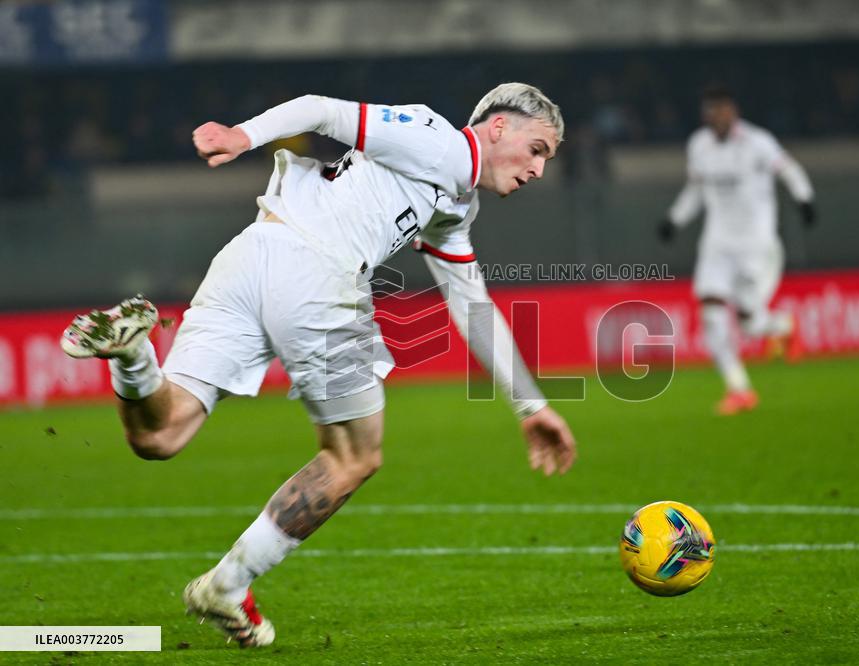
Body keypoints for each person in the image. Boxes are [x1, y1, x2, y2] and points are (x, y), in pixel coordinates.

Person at [60, 83, 578, 647]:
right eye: (538, 149)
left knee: (160, 434)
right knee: (354, 456)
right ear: (498, 127)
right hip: (319, 275)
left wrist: (530, 404)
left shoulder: (454, 199)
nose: (539, 170)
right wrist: (243, 136)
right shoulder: (437, 139)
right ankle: (228, 585)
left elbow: (470, 303)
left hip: (252, 255)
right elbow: (322, 111)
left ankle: (135, 356)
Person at [658, 85, 816, 415]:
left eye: (723, 109)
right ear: (706, 115)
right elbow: (696, 190)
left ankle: (784, 326)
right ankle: (739, 389)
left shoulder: (758, 142)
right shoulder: (699, 145)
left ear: (734, 111)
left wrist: (804, 198)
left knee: (749, 323)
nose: (718, 116)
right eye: (712, 110)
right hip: (718, 244)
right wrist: (674, 219)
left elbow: (789, 170)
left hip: (757, 245)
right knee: (711, 311)